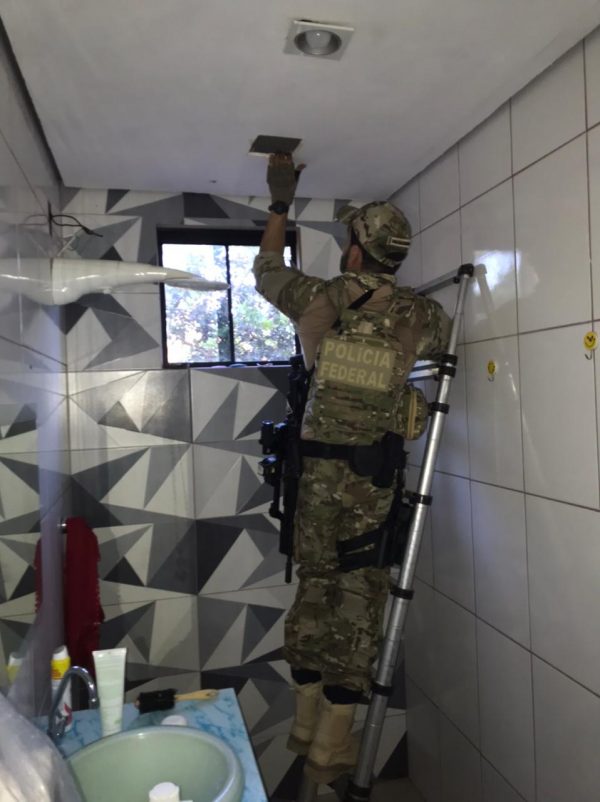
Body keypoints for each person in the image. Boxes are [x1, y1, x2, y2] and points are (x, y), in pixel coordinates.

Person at [253, 154, 451, 784]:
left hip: (315, 481)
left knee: (314, 589)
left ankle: (305, 724)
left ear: (356, 252)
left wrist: (280, 201)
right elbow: (436, 351)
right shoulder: (424, 316)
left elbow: (265, 269)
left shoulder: (320, 298)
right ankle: (331, 743)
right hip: (372, 483)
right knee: (360, 599)